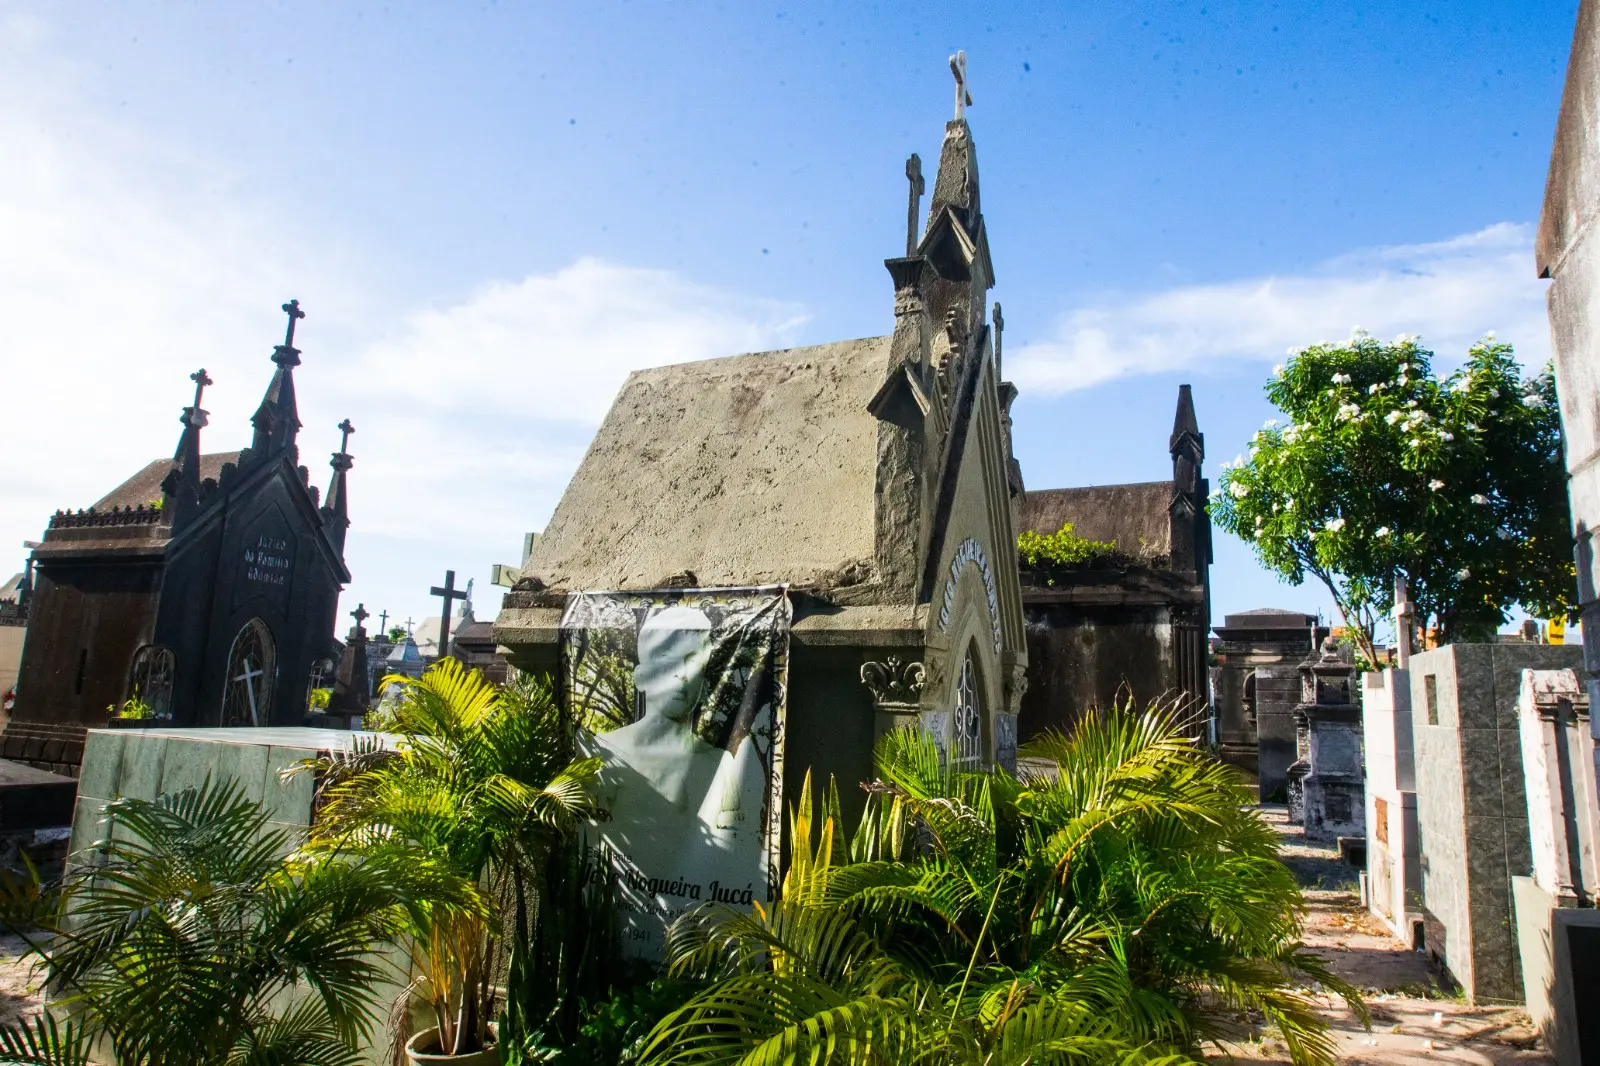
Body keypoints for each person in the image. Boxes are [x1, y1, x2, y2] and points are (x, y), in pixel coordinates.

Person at [585, 605, 769, 950]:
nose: (684, 675)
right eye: (669, 662)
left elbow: (738, 868)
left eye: (694, 661)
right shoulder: (603, 753)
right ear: (641, 677)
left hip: (698, 950)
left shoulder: (723, 766)